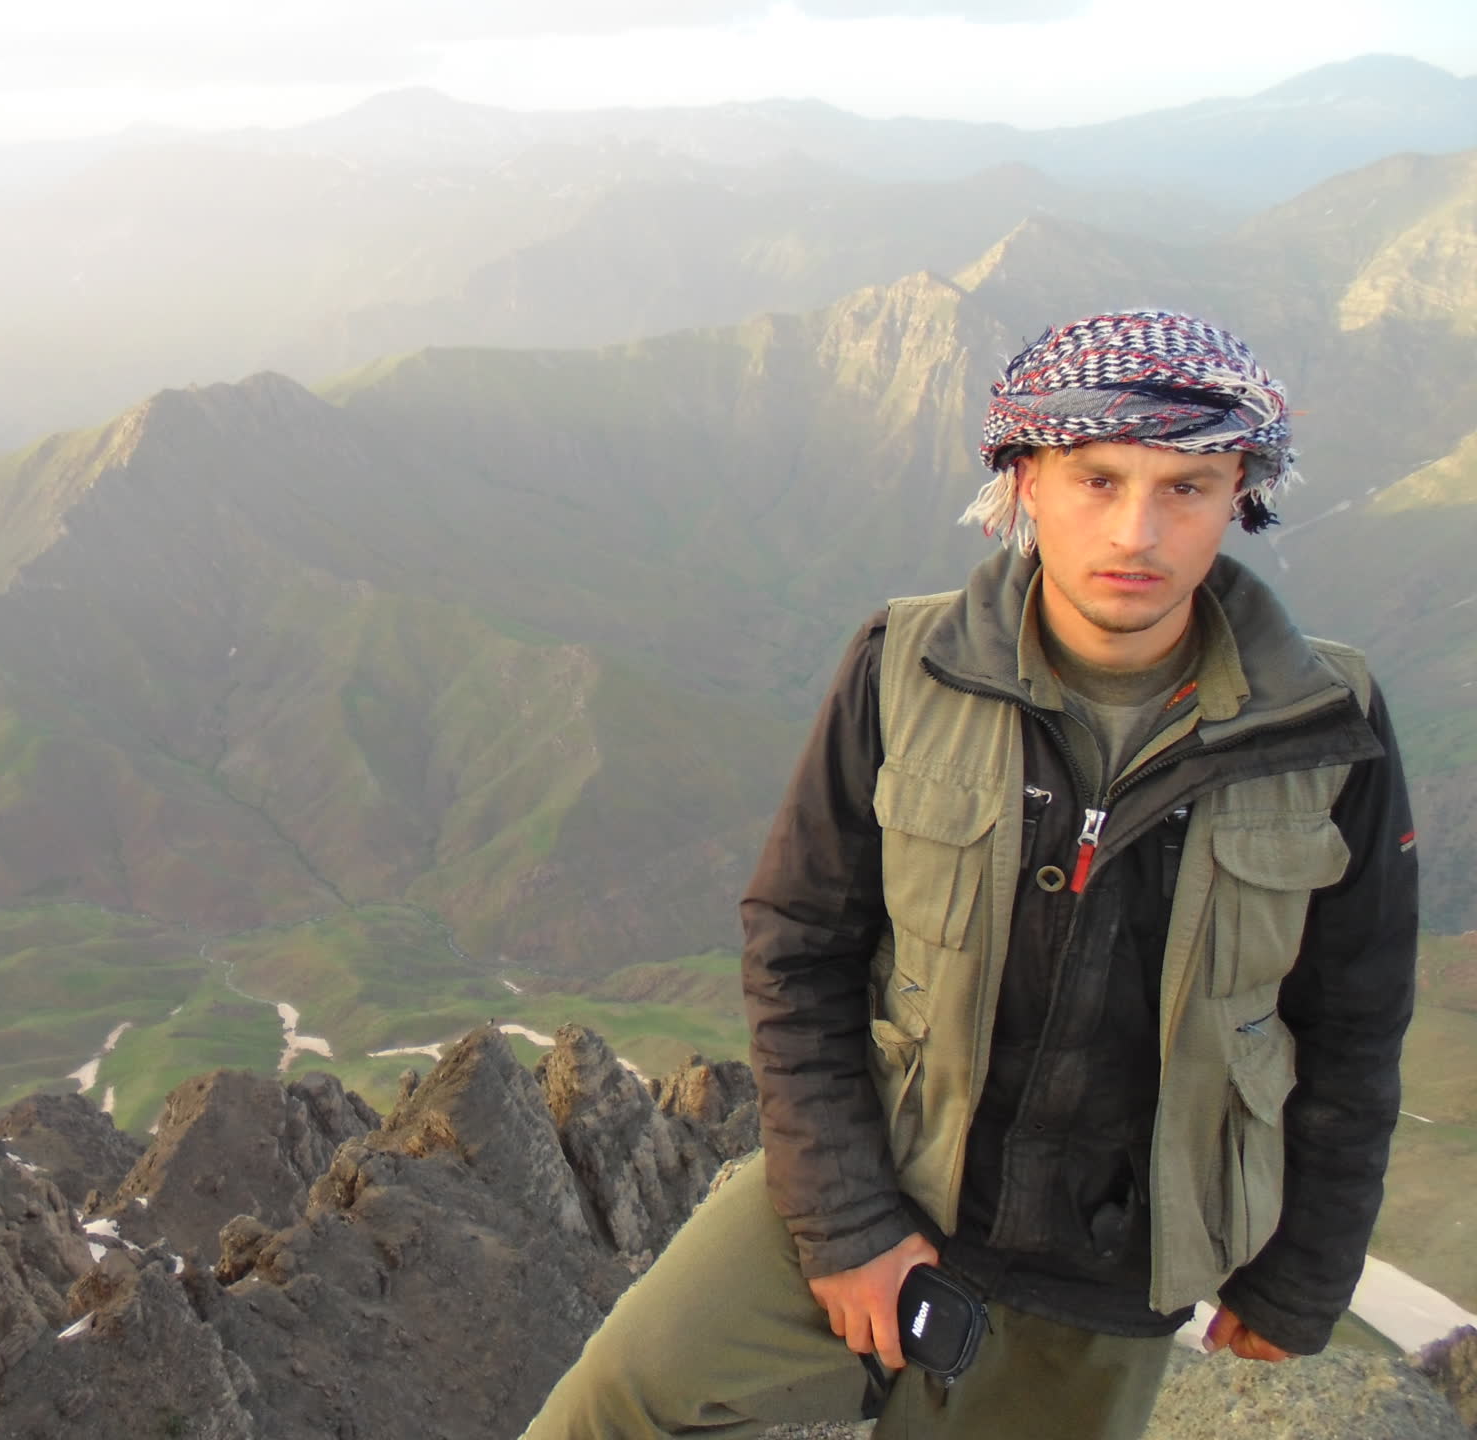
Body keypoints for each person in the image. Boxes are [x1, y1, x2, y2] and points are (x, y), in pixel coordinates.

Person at [521, 310, 1419, 1439]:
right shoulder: (906, 667)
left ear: (1239, 492)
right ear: (1027, 480)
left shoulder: (1325, 723)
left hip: (1116, 1259)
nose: (1137, 531)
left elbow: (1354, 1021)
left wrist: (1306, 1270)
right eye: (1098, 479)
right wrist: (848, 1223)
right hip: (884, 1167)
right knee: (613, 1411)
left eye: (1186, 488)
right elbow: (798, 945)